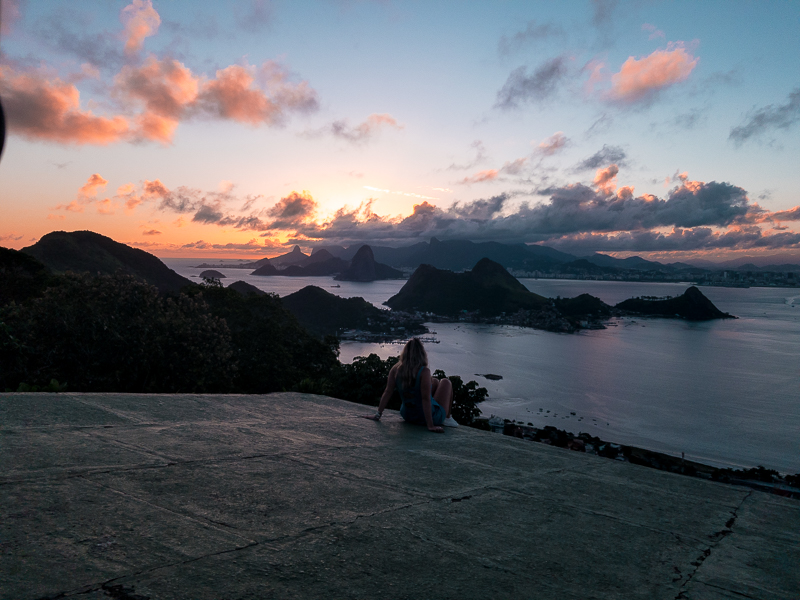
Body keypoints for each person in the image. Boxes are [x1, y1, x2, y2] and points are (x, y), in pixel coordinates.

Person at [365, 338, 459, 433]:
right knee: (445, 382)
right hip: (428, 418)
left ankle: (440, 414)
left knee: (434, 381)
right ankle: (447, 418)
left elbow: (388, 391)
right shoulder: (424, 372)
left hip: (408, 416)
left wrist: (377, 415)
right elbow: (425, 399)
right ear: (422, 354)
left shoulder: (396, 369)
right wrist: (430, 425)